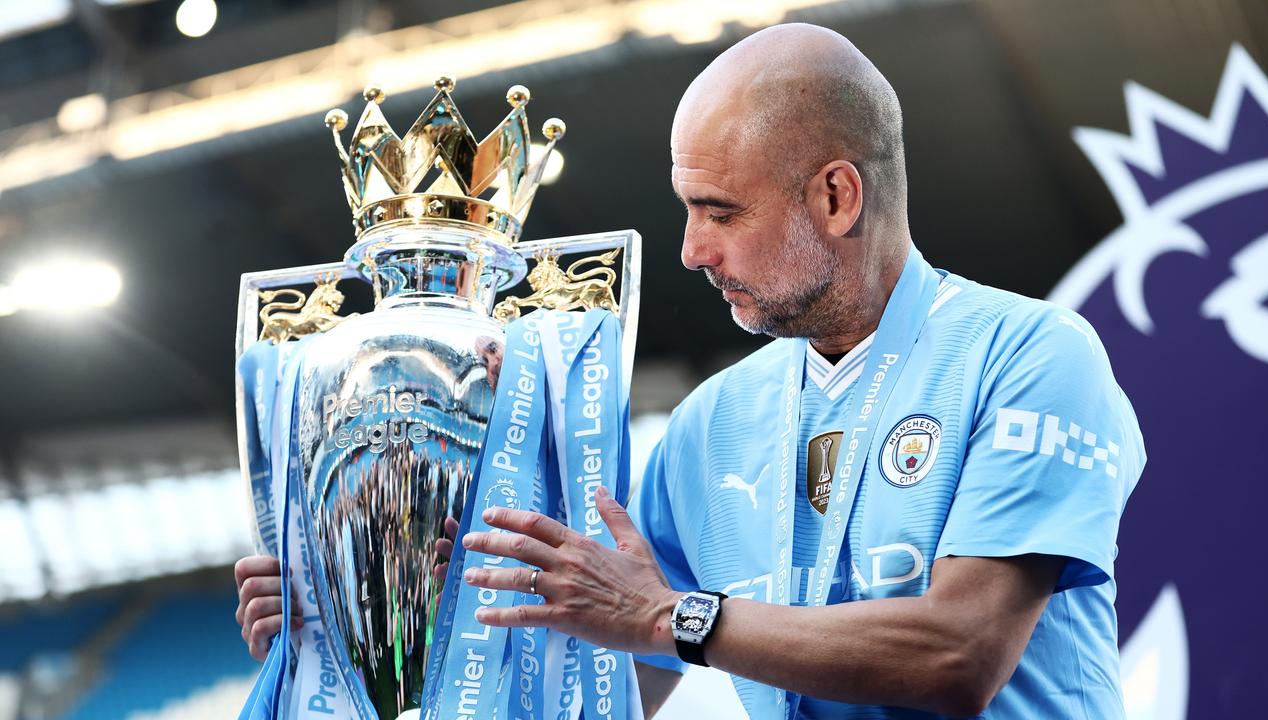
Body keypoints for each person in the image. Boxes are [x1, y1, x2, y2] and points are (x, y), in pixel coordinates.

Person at [237, 23, 1144, 719]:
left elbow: (959, 656)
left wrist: (671, 617)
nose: (689, 251)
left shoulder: (1029, 355)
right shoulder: (714, 423)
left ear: (836, 196)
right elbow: (612, 685)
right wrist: (370, 613)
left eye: (719, 211)